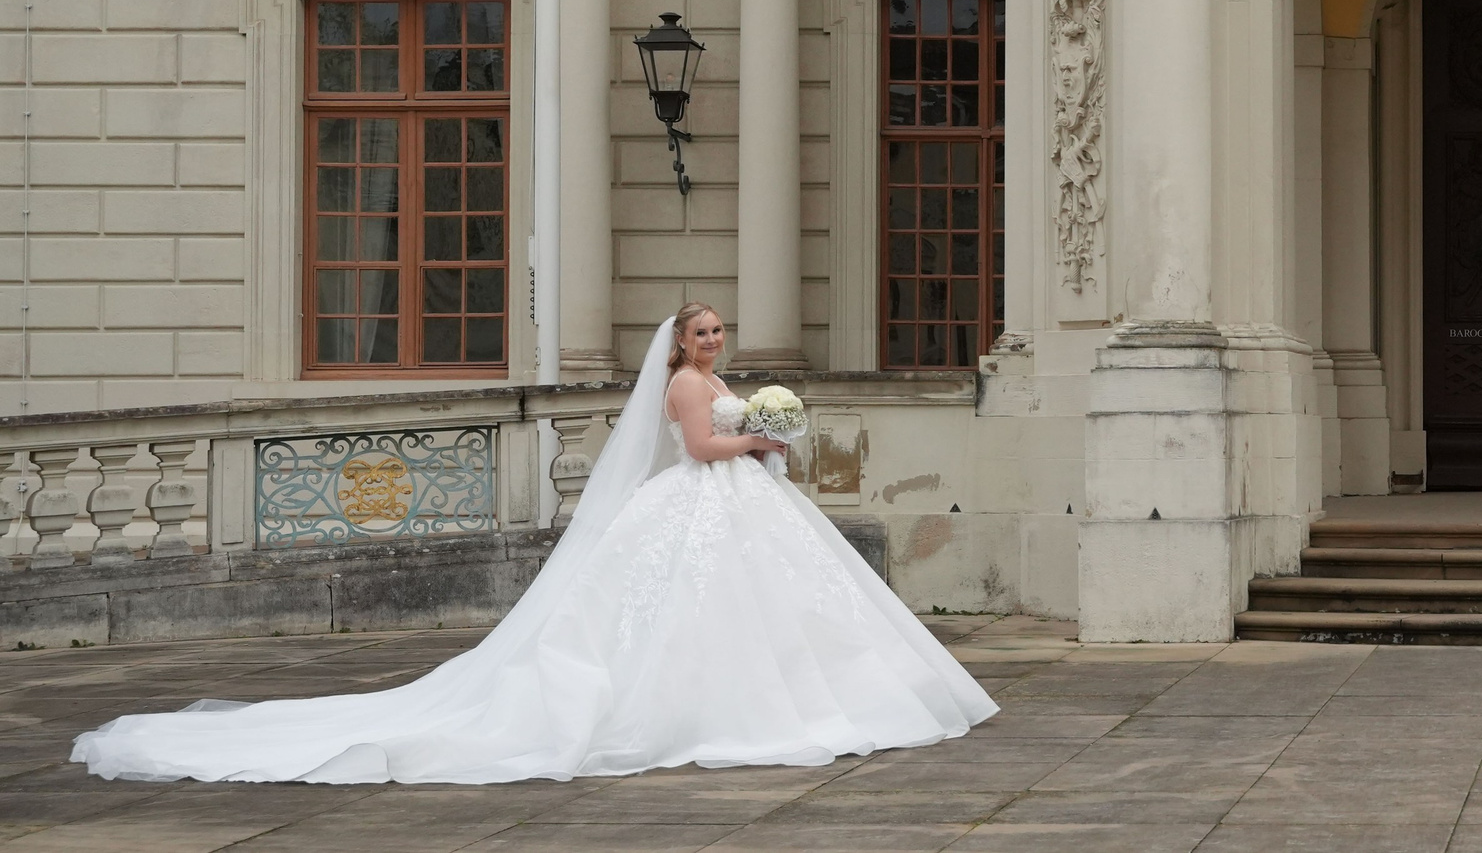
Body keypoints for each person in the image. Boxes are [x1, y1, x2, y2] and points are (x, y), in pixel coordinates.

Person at [71, 304, 996, 782]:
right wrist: (757, 437)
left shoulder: (724, 378)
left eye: (718, 330)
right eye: (702, 332)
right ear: (679, 343)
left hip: (742, 501)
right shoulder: (685, 386)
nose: (713, 340)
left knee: (770, 605)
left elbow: (733, 433)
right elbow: (699, 447)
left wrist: (764, 433)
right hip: (707, 495)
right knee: (687, 609)